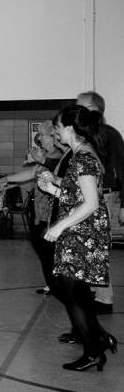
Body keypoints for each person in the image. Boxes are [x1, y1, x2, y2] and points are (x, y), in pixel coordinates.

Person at [38, 105, 116, 371]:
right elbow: (78, 198)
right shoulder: (80, 154)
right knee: (77, 294)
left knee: (72, 294)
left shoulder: (83, 158)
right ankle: (100, 340)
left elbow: (91, 203)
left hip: (83, 235)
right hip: (81, 233)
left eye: (58, 127)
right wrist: (53, 189)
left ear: (69, 129)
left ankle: (94, 350)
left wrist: (59, 227)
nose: (56, 131)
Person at [0, 120, 64, 294]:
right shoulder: (45, 156)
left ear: (53, 136)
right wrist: (9, 180)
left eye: (42, 134)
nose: (39, 138)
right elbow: (33, 173)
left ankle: (57, 285)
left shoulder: (59, 156)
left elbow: (52, 174)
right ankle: (52, 284)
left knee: (48, 250)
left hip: (52, 212)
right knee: (42, 249)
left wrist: (41, 160)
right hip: (40, 211)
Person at [76, 91, 123, 314]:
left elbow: (121, 169)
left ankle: (104, 299)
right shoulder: (90, 134)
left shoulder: (108, 134)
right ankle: (99, 295)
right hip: (97, 195)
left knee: (98, 248)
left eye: (80, 106)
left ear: (93, 108)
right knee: (93, 248)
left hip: (107, 195)